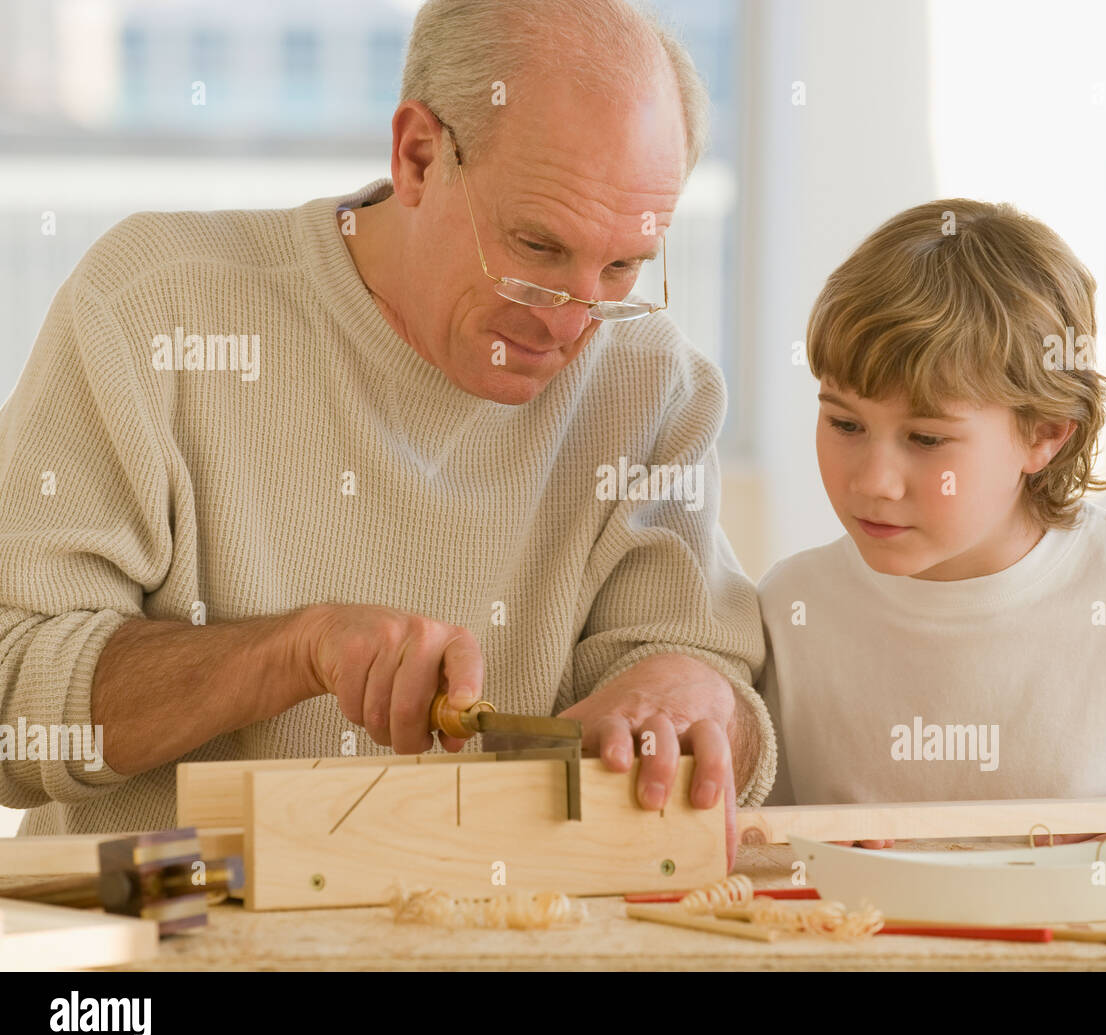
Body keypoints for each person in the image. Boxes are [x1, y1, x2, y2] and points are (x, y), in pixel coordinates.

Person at [0, 0, 776, 865]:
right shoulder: (157, 309)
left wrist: (693, 698)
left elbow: (723, 693)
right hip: (163, 943)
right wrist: (293, 652)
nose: (573, 321)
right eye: (536, 247)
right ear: (417, 156)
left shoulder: (651, 382)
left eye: (624, 265)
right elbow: (11, 707)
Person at [757, 197, 1106, 863]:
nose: (873, 480)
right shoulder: (792, 607)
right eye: (844, 423)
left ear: (1043, 434)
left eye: (926, 437)